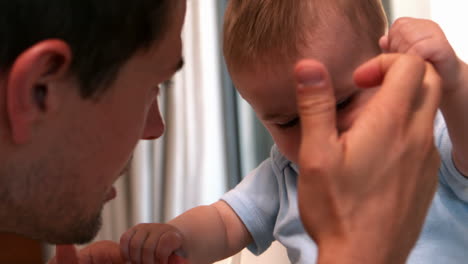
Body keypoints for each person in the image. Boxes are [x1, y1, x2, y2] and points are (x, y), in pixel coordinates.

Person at [0, 0, 441, 263]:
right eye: (150, 87)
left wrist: (454, 83)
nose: (157, 130)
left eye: (341, 102)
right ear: (39, 90)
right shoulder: (285, 175)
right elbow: (223, 220)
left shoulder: (422, 144)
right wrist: (177, 236)